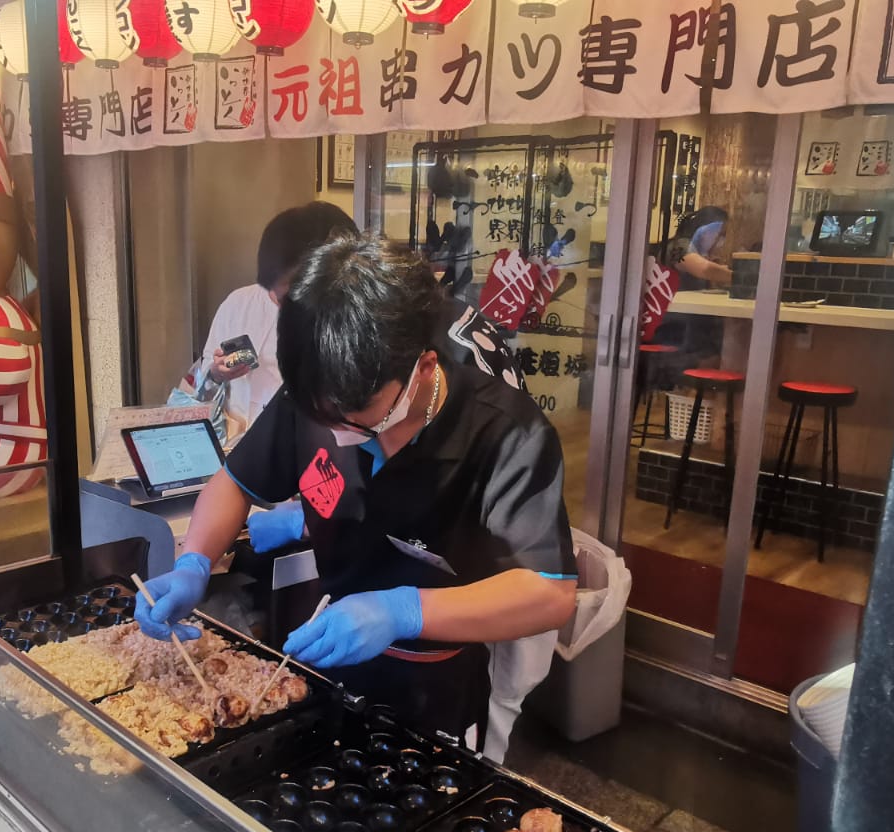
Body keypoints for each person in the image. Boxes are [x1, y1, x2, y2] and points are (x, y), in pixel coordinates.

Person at [136, 237, 577, 741]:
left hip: (438, 682)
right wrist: (193, 561)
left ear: (423, 369)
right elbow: (235, 481)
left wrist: (402, 611)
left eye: (360, 421)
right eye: (324, 418)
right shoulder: (318, 396)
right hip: (328, 662)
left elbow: (550, 592)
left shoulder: (505, 432)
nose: (338, 434)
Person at [192, 202, 358, 433]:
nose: (283, 301)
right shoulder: (238, 303)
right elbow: (200, 385)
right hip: (238, 440)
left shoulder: (340, 318)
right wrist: (216, 373)